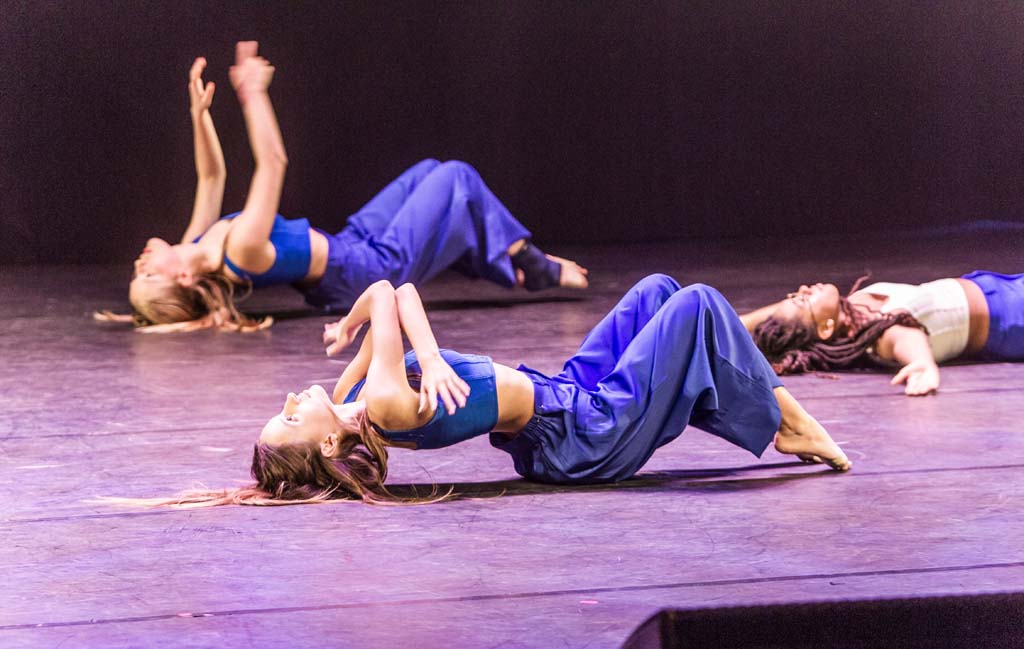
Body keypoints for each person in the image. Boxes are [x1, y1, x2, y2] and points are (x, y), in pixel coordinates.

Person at [145, 274, 849, 507]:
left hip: (562, 399)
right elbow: (391, 291)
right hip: (586, 434)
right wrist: (415, 347)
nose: (289, 402)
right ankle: (784, 422)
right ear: (330, 443)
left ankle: (751, 406)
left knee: (657, 292)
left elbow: (386, 306)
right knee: (695, 304)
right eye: (290, 420)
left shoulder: (357, 397)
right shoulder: (382, 405)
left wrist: (357, 337)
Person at [98, 42, 587, 333]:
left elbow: (212, 177)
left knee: (429, 172)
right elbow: (273, 164)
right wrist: (253, 95)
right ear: (184, 280)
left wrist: (198, 116)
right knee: (457, 177)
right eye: (147, 275)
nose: (140, 263)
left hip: (351, 245)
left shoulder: (199, 241)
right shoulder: (240, 251)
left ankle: (499, 260)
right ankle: (532, 265)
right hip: (366, 271)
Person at [740, 272, 1024, 395]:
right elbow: (906, 337)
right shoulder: (877, 338)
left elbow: (781, 317)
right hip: (1013, 316)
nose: (803, 289)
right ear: (825, 328)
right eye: (803, 300)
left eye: (796, 294)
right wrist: (922, 364)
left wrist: (737, 322)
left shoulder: (852, 310)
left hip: (998, 287)